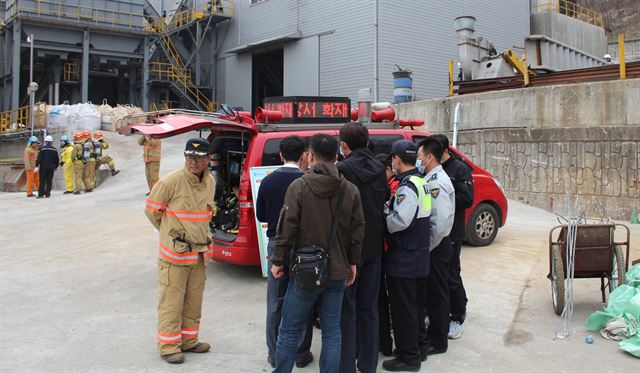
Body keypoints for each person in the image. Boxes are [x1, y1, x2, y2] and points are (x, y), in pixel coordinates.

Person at [271, 133, 365, 373]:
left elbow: (287, 227)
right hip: (337, 271)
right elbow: (357, 231)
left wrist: (278, 260)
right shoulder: (350, 190)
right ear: (336, 156)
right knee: (332, 329)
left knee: (290, 328)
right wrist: (352, 263)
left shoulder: (299, 186)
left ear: (310, 156)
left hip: (304, 271)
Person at [145, 138, 216, 364]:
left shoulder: (210, 182)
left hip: (199, 254)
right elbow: (152, 211)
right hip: (174, 255)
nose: (193, 162)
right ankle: (168, 345)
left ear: (208, 160)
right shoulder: (171, 181)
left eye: (198, 158)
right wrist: (169, 232)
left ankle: (188, 340)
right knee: (171, 301)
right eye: (189, 157)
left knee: (194, 300)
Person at [255, 136, 314, 369]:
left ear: (281, 156)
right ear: (303, 156)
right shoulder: (307, 182)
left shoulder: (268, 182)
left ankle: (275, 353)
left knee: (275, 301)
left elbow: (260, 216)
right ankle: (300, 353)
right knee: (303, 298)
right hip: (303, 248)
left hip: (275, 245)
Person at [337, 123, 388, 373]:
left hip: (350, 252)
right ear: (366, 143)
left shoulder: (342, 169)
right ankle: (367, 366)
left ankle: (346, 365)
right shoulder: (380, 169)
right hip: (375, 248)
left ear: (344, 145)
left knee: (347, 309)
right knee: (369, 308)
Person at [382, 140, 432, 372]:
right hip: (420, 256)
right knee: (416, 308)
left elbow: (400, 221)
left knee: (404, 310)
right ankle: (418, 349)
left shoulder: (406, 187)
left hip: (404, 259)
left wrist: (383, 218)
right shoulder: (422, 182)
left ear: (397, 159)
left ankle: (408, 357)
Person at [431, 135, 474, 340]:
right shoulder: (433, 170)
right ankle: (447, 308)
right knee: (439, 274)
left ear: (445, 151)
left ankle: (457, 316)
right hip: (436, 228)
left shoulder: (459, 169)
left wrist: (446, 195)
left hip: (452, 231)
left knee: (451, 274)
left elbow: (467, 198)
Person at [416, 137, 455, 356]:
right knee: (434, 292)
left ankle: (438, 341)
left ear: (429, 157)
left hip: (437, 246)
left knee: (437, 293)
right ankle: (436, 335)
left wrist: (427, 246)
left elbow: (439, 223)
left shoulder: (437, 182)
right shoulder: (431, 177)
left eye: (420, 156)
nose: (418, 160)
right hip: (436, 245)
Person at [374, 152, 399, 357]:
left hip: (385, 249)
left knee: (380, 298)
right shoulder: (387, 185)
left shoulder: (395, 186)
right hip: (382, 248)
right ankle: (385, 341)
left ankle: (385, 341)